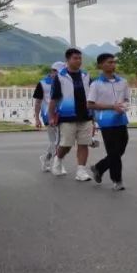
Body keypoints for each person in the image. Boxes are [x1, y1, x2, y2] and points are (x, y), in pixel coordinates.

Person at [48, 48, 94, 181]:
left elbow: (92, 96)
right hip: (67, 116)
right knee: (66, 144)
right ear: (67, 60)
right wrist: (51, 116)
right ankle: (58, 159)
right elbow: (54, 99)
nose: (78, 61)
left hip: (85, 115)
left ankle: (81, 171)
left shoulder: (86, 75)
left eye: (80, 58)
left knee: (84, 143)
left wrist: (94, 117)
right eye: (75, 58)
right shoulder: (60, 77)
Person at [87, 53, 130, 190]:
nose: (113, 64)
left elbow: (126, 99)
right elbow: (90, 104)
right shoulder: (96, 84)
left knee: (120, 150)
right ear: (101, 65)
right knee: (114, 151)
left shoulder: (123, 82)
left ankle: (99, 167)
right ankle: (117, 181)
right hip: (106, 122)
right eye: (109, 62)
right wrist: (112, 107)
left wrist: (123, 106)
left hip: (121, 119)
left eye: (113, 62)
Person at [33, 61, 66, 172]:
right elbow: (38, 102)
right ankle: (57, 164)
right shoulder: (42, 84)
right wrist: (37, 119)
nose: (61, 74)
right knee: (56, 141)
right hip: (48, 116)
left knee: (61, 142)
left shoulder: (64, 83)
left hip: (62, 115)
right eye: (58, 72)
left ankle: (47, 159)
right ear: (53, 71)